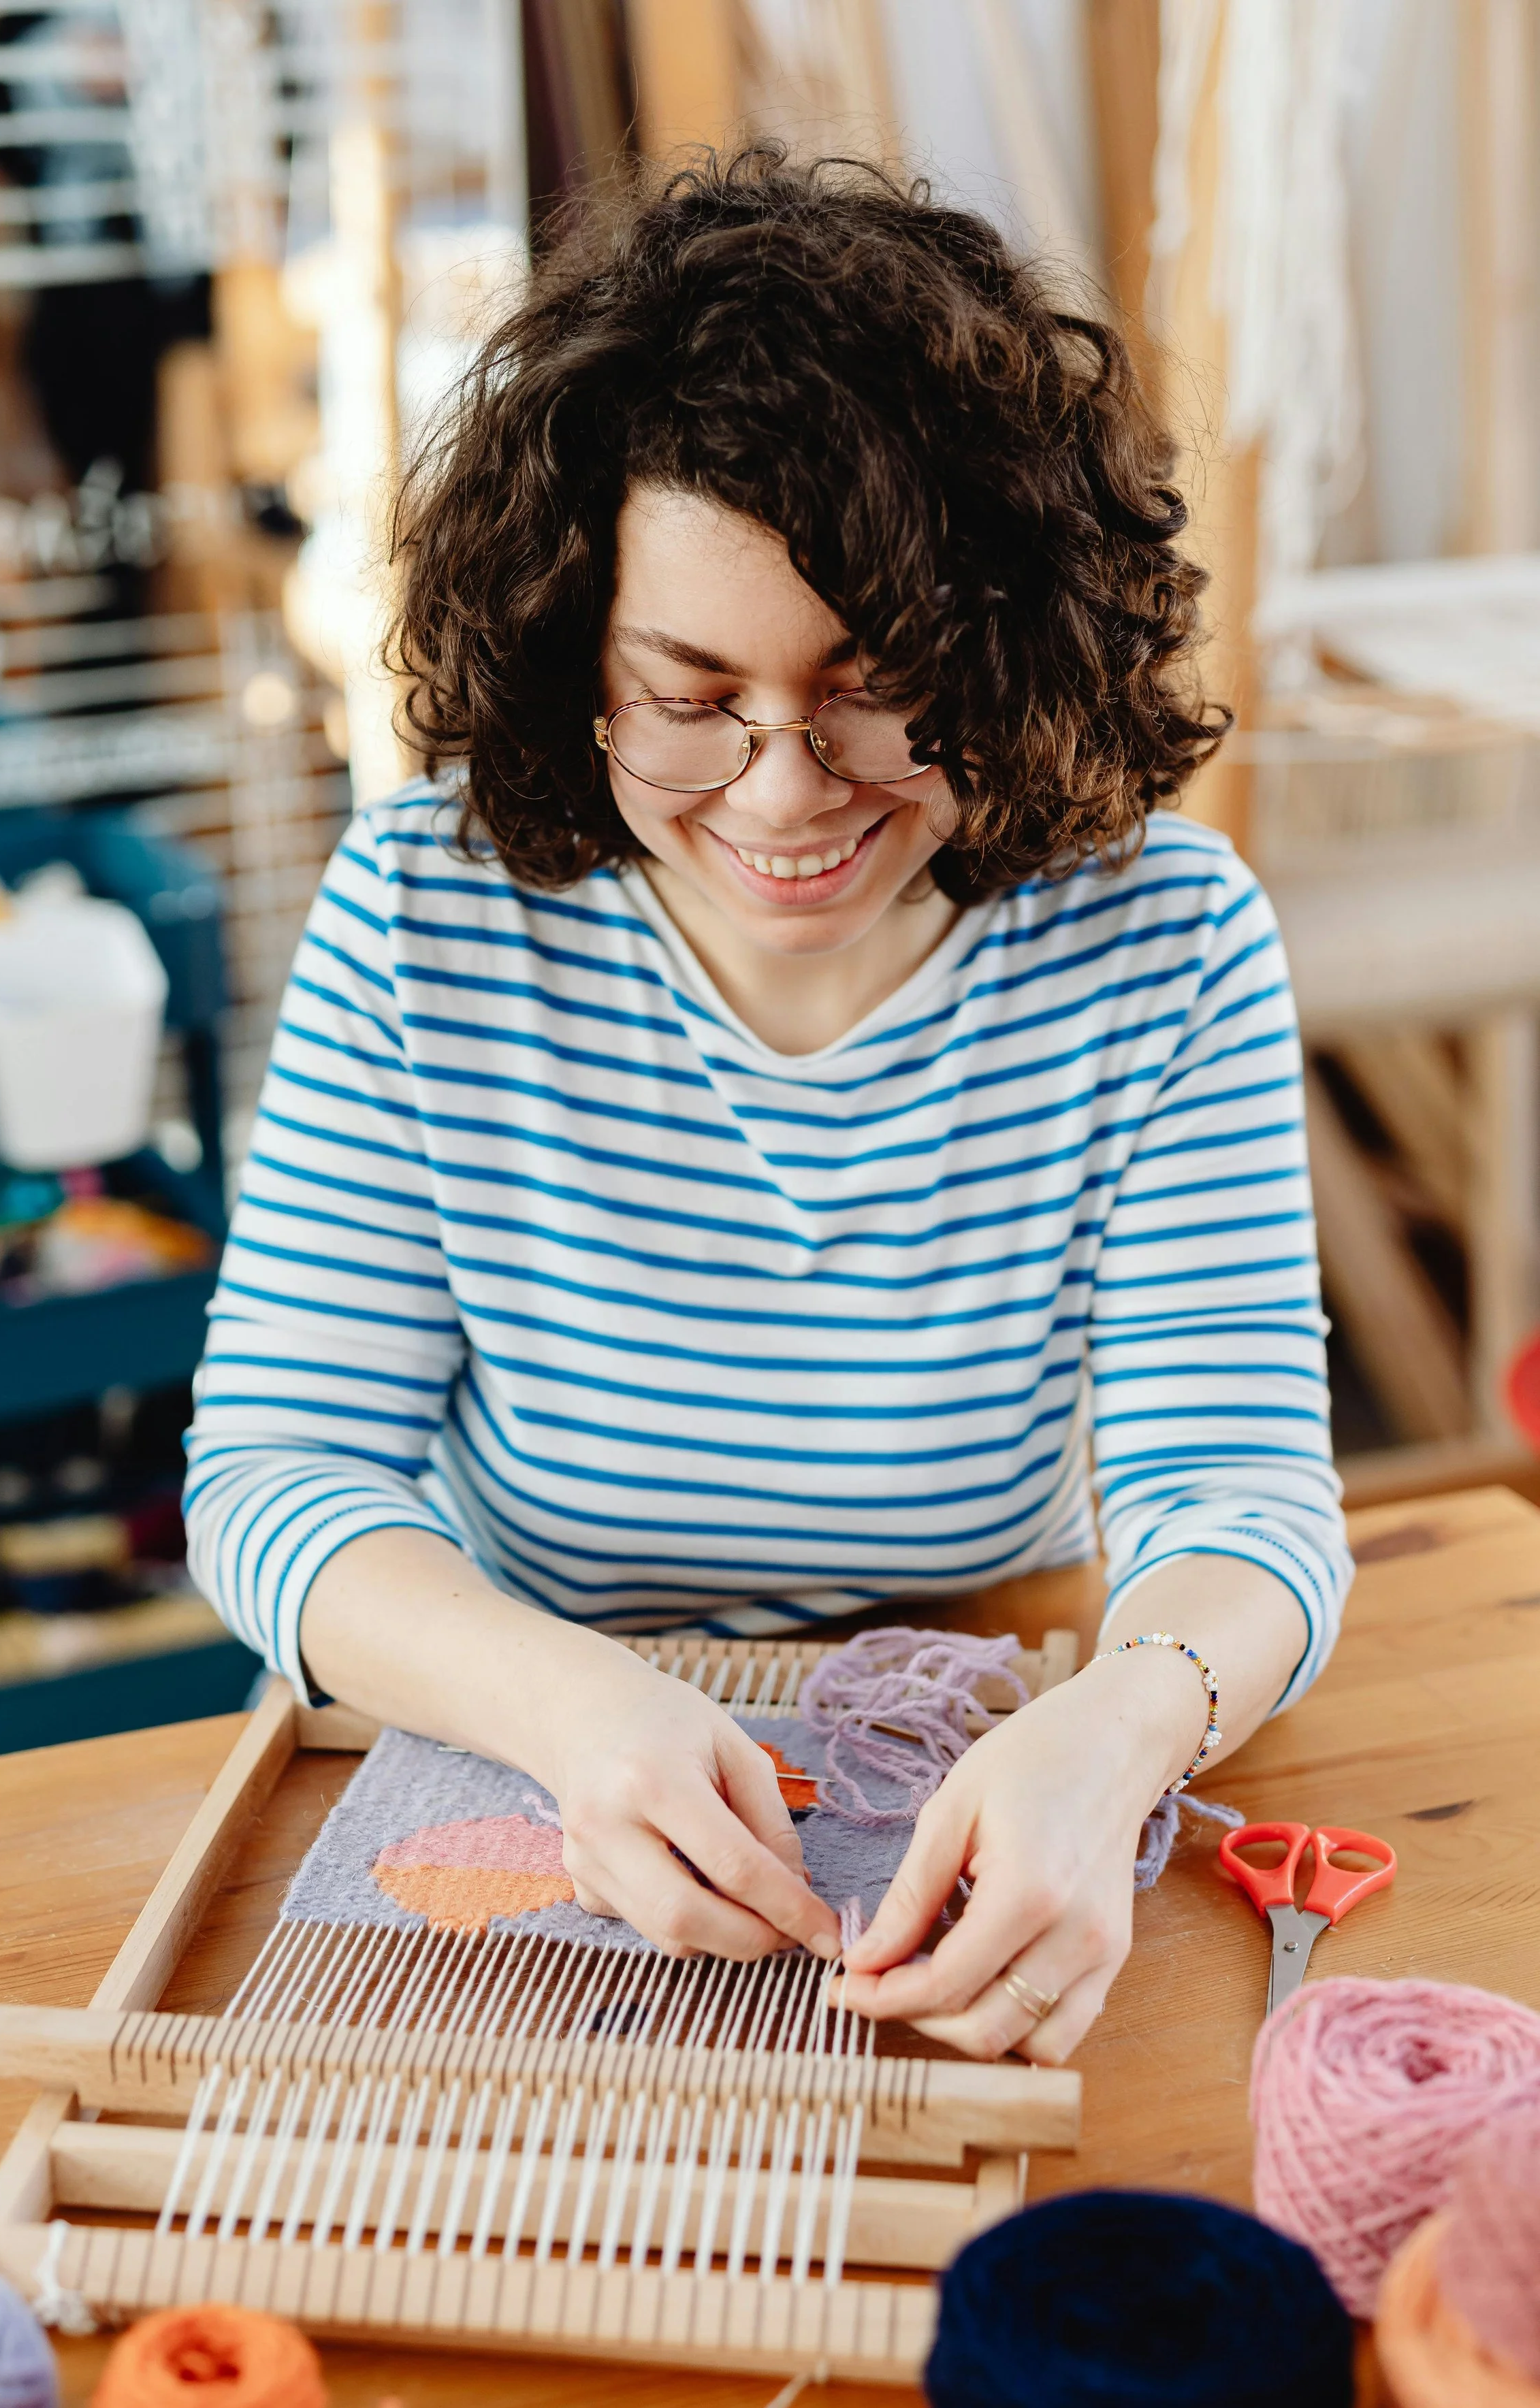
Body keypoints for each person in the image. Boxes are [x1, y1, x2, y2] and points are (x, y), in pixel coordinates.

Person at [185, 148, 1350, 2064]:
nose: (786, 791)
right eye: (689, 694)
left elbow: (1235, 1492)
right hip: (519, 1744)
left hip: (980, 1703)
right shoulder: (420, 915)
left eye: (874, 684)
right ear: (576, 663)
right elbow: (275, 1476)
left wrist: (1129, 1714)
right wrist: (574, 1711)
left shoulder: (1165, 947)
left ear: (1006, 644)